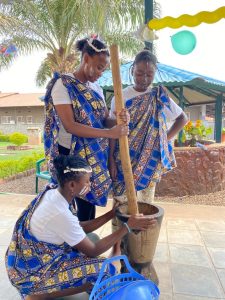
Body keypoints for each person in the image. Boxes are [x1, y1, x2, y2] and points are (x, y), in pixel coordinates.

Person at [5, 155, 156, 300]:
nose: (90, 185)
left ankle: (83, 285)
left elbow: (77, 227)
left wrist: (111, 214)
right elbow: (93, 250)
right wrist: (127, 227)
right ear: (72, 185)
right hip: (32, 276)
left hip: (23, 263)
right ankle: (39, 295)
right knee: (104, 271)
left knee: (89, 240)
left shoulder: (54, 193)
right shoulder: (59, 212)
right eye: (87, 181)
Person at [44, 36, 129, 222]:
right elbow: (70, 125)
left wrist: (118, 120)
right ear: (86, 58)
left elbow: (105, 118)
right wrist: (109, 133)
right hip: (70, 155)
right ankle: (72, 246)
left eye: (104, 69)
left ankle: (85, 245)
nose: (100, 73)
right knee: (71, 205)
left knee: (87, 205)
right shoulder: (64, 85)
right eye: (99, 67)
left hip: (93, 153)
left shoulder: (96, 88)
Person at [109, 49, 188, 231]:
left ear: (155, 74)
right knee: (120, 205)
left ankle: (140, 249)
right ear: (132, 71)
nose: (144, 78)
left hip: (149, 163)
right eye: (139, 73)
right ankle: (117, 247)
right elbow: (113, 128)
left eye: (149, 74)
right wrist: (111, 159)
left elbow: (182, 118)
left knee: (145, 206)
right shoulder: (121, 96)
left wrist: (164, 139)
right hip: (123, 158)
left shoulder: (158, 96)